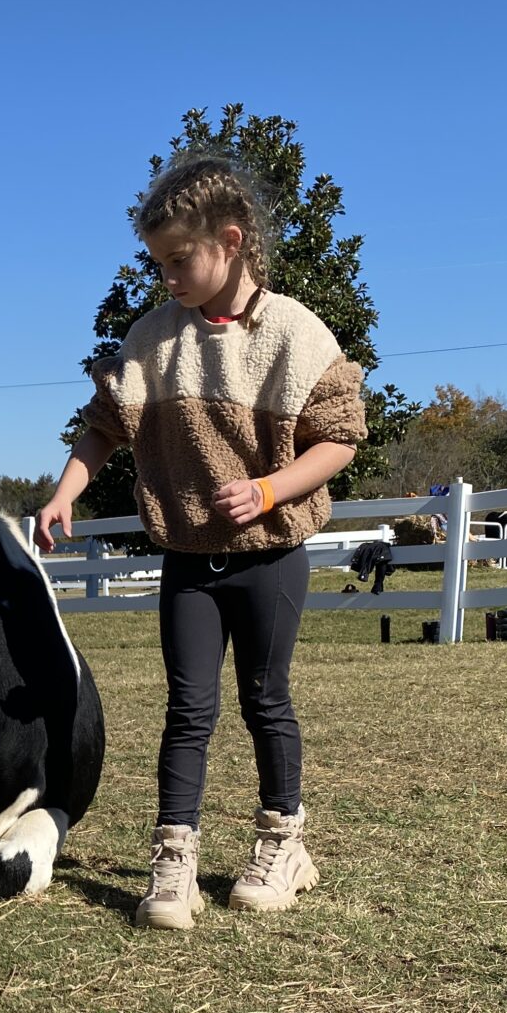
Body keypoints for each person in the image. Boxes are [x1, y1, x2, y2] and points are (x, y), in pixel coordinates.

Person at [34, 153, 366, 928]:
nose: (168, 278)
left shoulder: (295, 334)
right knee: (188, 708)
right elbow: (102, 429)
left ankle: (284, 842)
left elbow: (339, 441)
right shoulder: (151, 340)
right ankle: (174, 860)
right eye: (158, 264)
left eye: (179, 260)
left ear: (231, 239)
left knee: (265, 699)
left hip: (271, 559)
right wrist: (63, 493)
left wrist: (267, 489)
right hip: (188, 561)